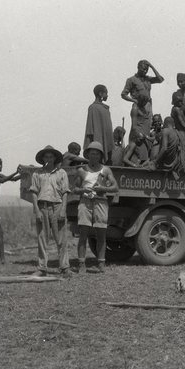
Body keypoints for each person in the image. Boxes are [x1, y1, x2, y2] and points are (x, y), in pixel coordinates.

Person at [73, 142, 118, 273]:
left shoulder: (106, 170)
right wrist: (83, 190)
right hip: (85, 202)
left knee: (101, 234)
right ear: (87, 155)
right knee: (83, 233)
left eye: (97, 154)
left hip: (101, 202)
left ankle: (101, 263)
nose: (94, 156)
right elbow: (74, 189)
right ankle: (81, 263)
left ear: (100, 156)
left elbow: (115, 187)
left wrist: (103, 188)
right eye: (92, 153)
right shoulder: (82, 171)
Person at [29, 146, 72, 277]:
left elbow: (65, 193)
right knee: (42, 238)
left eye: (51, 157)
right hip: (42, 207)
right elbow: (34, 193)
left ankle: (64, 267)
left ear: (55, 158)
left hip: (57, 206)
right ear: (42, 159)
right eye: (46, 157)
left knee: (61, 239)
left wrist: (63, 210)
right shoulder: (37, 173)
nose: (48, 159)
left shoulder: (62, 173)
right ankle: (42, 268)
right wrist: (36, 210)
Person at [84, 84, 114, 165]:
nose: (107, 95)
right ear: (100, 93)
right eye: (106, 93)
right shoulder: (93, 107)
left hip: (107, 138)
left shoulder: (105, 108)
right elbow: (90, 128)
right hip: (98, 139)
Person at [130, 94, 152, 162]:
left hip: (145, 135)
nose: (145, 103)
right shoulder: (135, 108)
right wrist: (140, 135)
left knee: (145, 156)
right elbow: (134, 126)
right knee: (140, 156)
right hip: (139, 136)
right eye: (144, 101)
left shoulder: (143, 108)